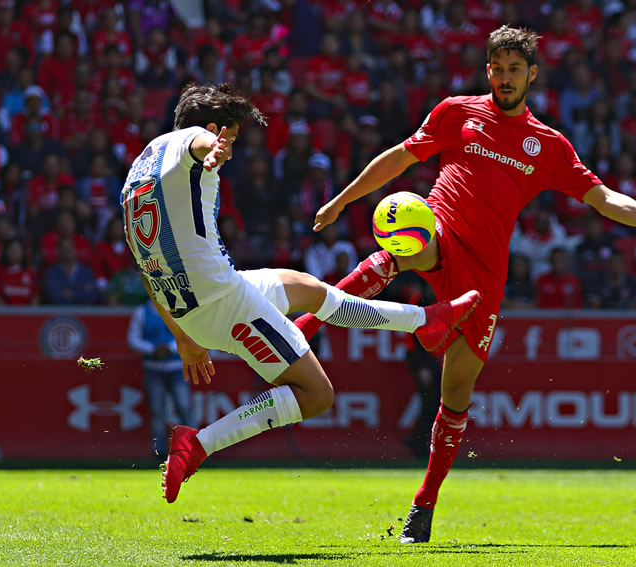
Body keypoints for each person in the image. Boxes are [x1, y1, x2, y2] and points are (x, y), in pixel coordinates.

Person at [293, 25, 636, 544]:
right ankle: (306, 327)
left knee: (456, 392)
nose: (505, 78)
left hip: (484, 274)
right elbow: (400, 156)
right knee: (407, 235)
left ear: (532, 74)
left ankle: (422, 508)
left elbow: (603, 200)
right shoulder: (456, 112)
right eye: (497, 68)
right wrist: (345, 200)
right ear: (487, 70)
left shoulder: (548, 145)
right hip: (438, 228)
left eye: (515, 69)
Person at [120, 83, 480, 504]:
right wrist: (212, 148)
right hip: (221, 303)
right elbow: (202, 144)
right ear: (214, 129)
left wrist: (183, 336)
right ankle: (199, 444)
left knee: (306, 288)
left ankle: (424, 323)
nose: (231, 151)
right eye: (231, 139)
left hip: (200, 299)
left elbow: (145, 270)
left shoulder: (140, 168)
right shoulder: (195, 142)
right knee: (316, 395)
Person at [128, 299, 191, 460]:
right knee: (157, 411)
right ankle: (159, 452)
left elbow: (187, 333)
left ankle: (192, 449)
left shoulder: (178, 309)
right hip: (153, 368)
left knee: (184, 407)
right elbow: (133, 338)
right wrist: (151, 349)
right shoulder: (142, 312)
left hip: (177, 366)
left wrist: (169, 348)